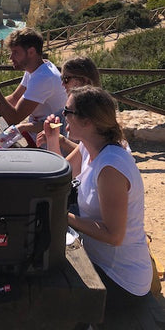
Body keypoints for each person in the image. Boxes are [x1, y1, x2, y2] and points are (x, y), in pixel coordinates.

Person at [44, 86, 155, 328]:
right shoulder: (89, 146)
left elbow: (113, 235)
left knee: (50, 295)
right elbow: (59, 179)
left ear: (87, 121)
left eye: (68, 111)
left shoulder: (111, 167)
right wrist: (53, 141)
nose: (63, 116)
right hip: (100, 261)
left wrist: (64, 217)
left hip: (122, 279)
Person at [0, 27, 67, 142]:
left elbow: (14, 118)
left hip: (46, 142)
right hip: (34, 133)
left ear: (31, 52)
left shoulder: (44, 78)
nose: (10, 57)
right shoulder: (36, 69)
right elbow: (14, 98)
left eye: (15, 52)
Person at [36, 56, 101, 153]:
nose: (62, 84)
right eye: (61, 79)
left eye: (66, 79)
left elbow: (92, 154)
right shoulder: (73, 109)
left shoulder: (97, 112)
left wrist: (61, 141)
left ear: (84, 80)